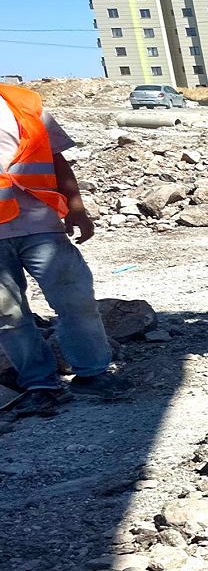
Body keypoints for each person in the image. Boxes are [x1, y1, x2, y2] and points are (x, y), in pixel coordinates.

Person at [0, 83, 122, 418]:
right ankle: (40, 385)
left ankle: (92, 375)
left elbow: (55, 159)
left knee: (76, 300)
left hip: (40, 222)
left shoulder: (21, 103)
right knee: (7, 316)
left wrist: (77, 207)